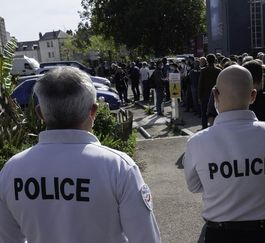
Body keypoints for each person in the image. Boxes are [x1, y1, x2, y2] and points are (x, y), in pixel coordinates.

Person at [0, 67, 161, 243]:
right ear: (93, 111)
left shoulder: (11, 170)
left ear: (40, 114)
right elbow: (146, 238)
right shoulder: (118, 167)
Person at [183, 65, 265, 243]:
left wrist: (220, 182)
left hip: (221, 234)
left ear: (215, 94)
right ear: (253, 95)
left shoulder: (197, 142)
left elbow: (194, 186)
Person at [198, 54, 221, 129]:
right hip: (216, 95)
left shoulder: (203, 71)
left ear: (207, 61)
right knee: (216, 112)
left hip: (204, 95)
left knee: (204, 113)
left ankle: (204, 127)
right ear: (215, 60)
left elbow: (201, 84)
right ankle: (215, 127)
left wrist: (199, 96)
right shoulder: (219, 71)